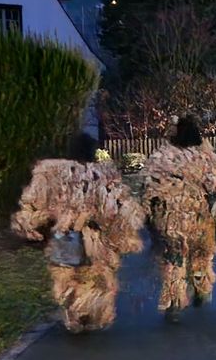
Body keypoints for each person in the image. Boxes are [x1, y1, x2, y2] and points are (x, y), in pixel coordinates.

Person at [11, 132, 145, 333]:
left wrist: (29, 225)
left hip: (63, 236)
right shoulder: (101, 177)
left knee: (67, 277)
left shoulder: (52, 173)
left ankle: (74, 316)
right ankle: (88, 313)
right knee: (95, 278)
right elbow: (120, 208)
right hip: (95, 240)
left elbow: (33, 203)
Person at [141, 115, 216, 321]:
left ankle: (174, 305)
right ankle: (201, 289)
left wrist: (150, 216)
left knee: (174, 261)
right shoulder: (205, 157)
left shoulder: (162, 156)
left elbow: (148, 188)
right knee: (200, 258)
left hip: (171, 221)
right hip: (200, 219)